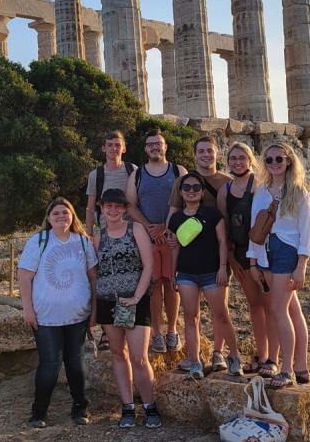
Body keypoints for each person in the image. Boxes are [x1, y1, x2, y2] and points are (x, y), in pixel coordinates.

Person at [18, 197, 98, 428]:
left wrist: (94, 310)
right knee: (49, 365)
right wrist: (28, 310)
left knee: (75, 363)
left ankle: (80, 408)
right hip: (45, 317)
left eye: (66, 212)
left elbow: (93, 278)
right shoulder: (38, 241)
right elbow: (24, 277)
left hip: (78, 315)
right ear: (48, 218)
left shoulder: (83, 242)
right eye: (56, 213)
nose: (61, 216)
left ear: (73, 216)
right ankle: (39, 412)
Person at [247, 143, 310, 389]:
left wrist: (302, 266)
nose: (274, 163)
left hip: (288, 251)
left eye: (279, 158)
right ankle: (301, 366)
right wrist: (253, 261)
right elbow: (255, 229)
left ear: (288, 161)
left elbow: (307, 232)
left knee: (278, 310)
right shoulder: (262, 191)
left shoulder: (299, 192)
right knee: (292, 310)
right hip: (266, 252)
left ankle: (286, 369)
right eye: (269, 159)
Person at [93, 188, 161, 429]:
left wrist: (136, 297)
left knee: (138, 357)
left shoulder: (136, 229)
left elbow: (148, 264)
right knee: (117, 354)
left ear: (124, 209)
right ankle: (128, 407)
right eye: (108, 206)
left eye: (117, 206)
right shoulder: (98, 235)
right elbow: (95, 269)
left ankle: (150, 405)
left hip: (135, 300)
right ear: (102, 208)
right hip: (107, 301)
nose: (112, 210)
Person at [168, 171, 243, 379]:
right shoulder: (175, 218)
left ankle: (234, 357)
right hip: (186, 273)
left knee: (221, 315)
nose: (191, 192)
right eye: (187, 188)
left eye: (196, 188)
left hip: (212, 272)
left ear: (202, 192)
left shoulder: (212, 214)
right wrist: (172, 272)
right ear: (181, 193)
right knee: (191, 317)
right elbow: (174, 247)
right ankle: (195, 361)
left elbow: (222, 241)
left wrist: (222, 267)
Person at [217, 142, 280, 378]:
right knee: (255, 305)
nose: (237, 162)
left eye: (241, 157)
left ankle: (274, 358)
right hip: (240, 253)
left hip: (263, 251)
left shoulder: (261, 185)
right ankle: (262, 355)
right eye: (232, 158)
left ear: (250, 160)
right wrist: (231, 257)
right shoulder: (225, 190)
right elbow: (224, 224)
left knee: (271, 305)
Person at [126, 129, 187, 354]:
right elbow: (130, 205)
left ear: (165, 147)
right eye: (150, 144)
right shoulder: (138, 174)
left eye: (158, 144)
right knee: (153, 286)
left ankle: (172, 330)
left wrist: (166, 226)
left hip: (172, 236)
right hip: (147, 237)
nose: (155, 147)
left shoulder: (178, 170)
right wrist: (150, 228)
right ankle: (156, 332)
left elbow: (187, 201)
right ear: (145, 148)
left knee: (172, 284)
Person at [84, 130, 137, 351]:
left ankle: (130, 325)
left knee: (130, 279)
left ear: (124, 148)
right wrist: (87, 234)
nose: (114, 148)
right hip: (105, 234)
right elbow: (90, 206)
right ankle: (107, 332)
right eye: (110, 144)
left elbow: (136, 202)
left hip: (131, 234)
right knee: (105, 280)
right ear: (103, 148)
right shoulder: (96, 174)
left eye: (118, 144)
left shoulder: (132, 170)